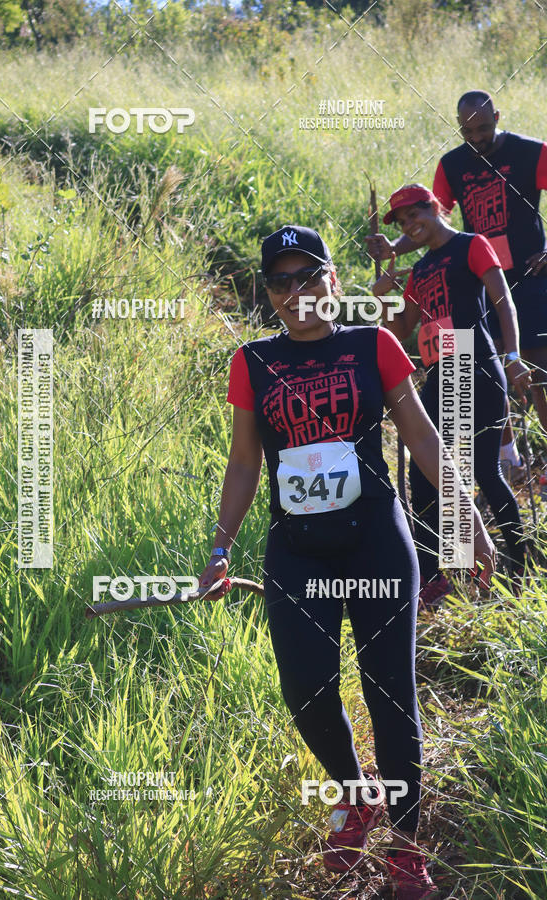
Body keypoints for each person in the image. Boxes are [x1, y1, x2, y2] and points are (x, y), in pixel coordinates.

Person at [198, 224, 496, 899]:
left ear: (334, 280)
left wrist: (464, 516)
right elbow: (245, 462)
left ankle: (408, 846)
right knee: (306, 694)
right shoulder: (252, 361)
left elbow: (420, 434)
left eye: (310, 276)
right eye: (281, 280)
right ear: (269, 293)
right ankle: (357, 794)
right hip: (295, 551)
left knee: (391, 699)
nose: (297, 291)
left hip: (377, 545)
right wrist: (220, 548)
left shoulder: (374, 345)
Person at [366, 90, 547, 477]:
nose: (477, 138)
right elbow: (430, 226)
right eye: (468, 132)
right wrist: (392, 247)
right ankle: (508, 461)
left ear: (497, 116)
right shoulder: (452, 165)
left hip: (530, 279)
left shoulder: (532, 152)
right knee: (488, 373)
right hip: (476, 281)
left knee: (539, 372)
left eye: (483, 128)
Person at [371, 185, 532, 608]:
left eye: (413, 215)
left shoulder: (470, 245)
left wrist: (513, 355)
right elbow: (400, 330)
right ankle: (448, 577)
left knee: (482, 470)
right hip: (441, 371)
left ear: (434, 207)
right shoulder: (419, 271)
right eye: (402, 223)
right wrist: (383, 296)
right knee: (431, 480)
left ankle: (519, 569)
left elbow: (504, 302)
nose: (409, 226)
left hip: (474, 362)